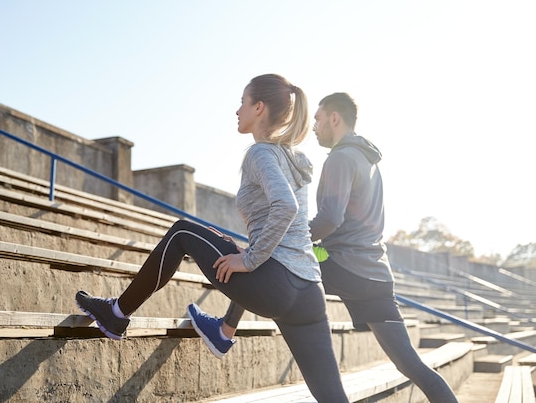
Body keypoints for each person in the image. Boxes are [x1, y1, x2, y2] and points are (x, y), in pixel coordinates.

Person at [75, 75, 350, 403]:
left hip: (276, 284)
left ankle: (116, 314)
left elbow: (286, 207)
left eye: (243, 102)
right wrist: (249, 250)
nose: (237, 110)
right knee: (333, 397)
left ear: (258, 108)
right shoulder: (292, 157)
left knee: (182, 231)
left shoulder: (261, 154)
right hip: (308, 291)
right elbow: (289, 224)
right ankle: (122, 314)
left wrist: (249, 259)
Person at [189, 92, 459, 403]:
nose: (314, 126)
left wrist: (293, 235)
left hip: (338, 260)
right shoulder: (369, 159)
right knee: (410, 363)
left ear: (334, 119)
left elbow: (331, 218)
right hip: (376, 274)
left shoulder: (341, 157)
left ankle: (224, 331)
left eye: (318, 119)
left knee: (271, 256)